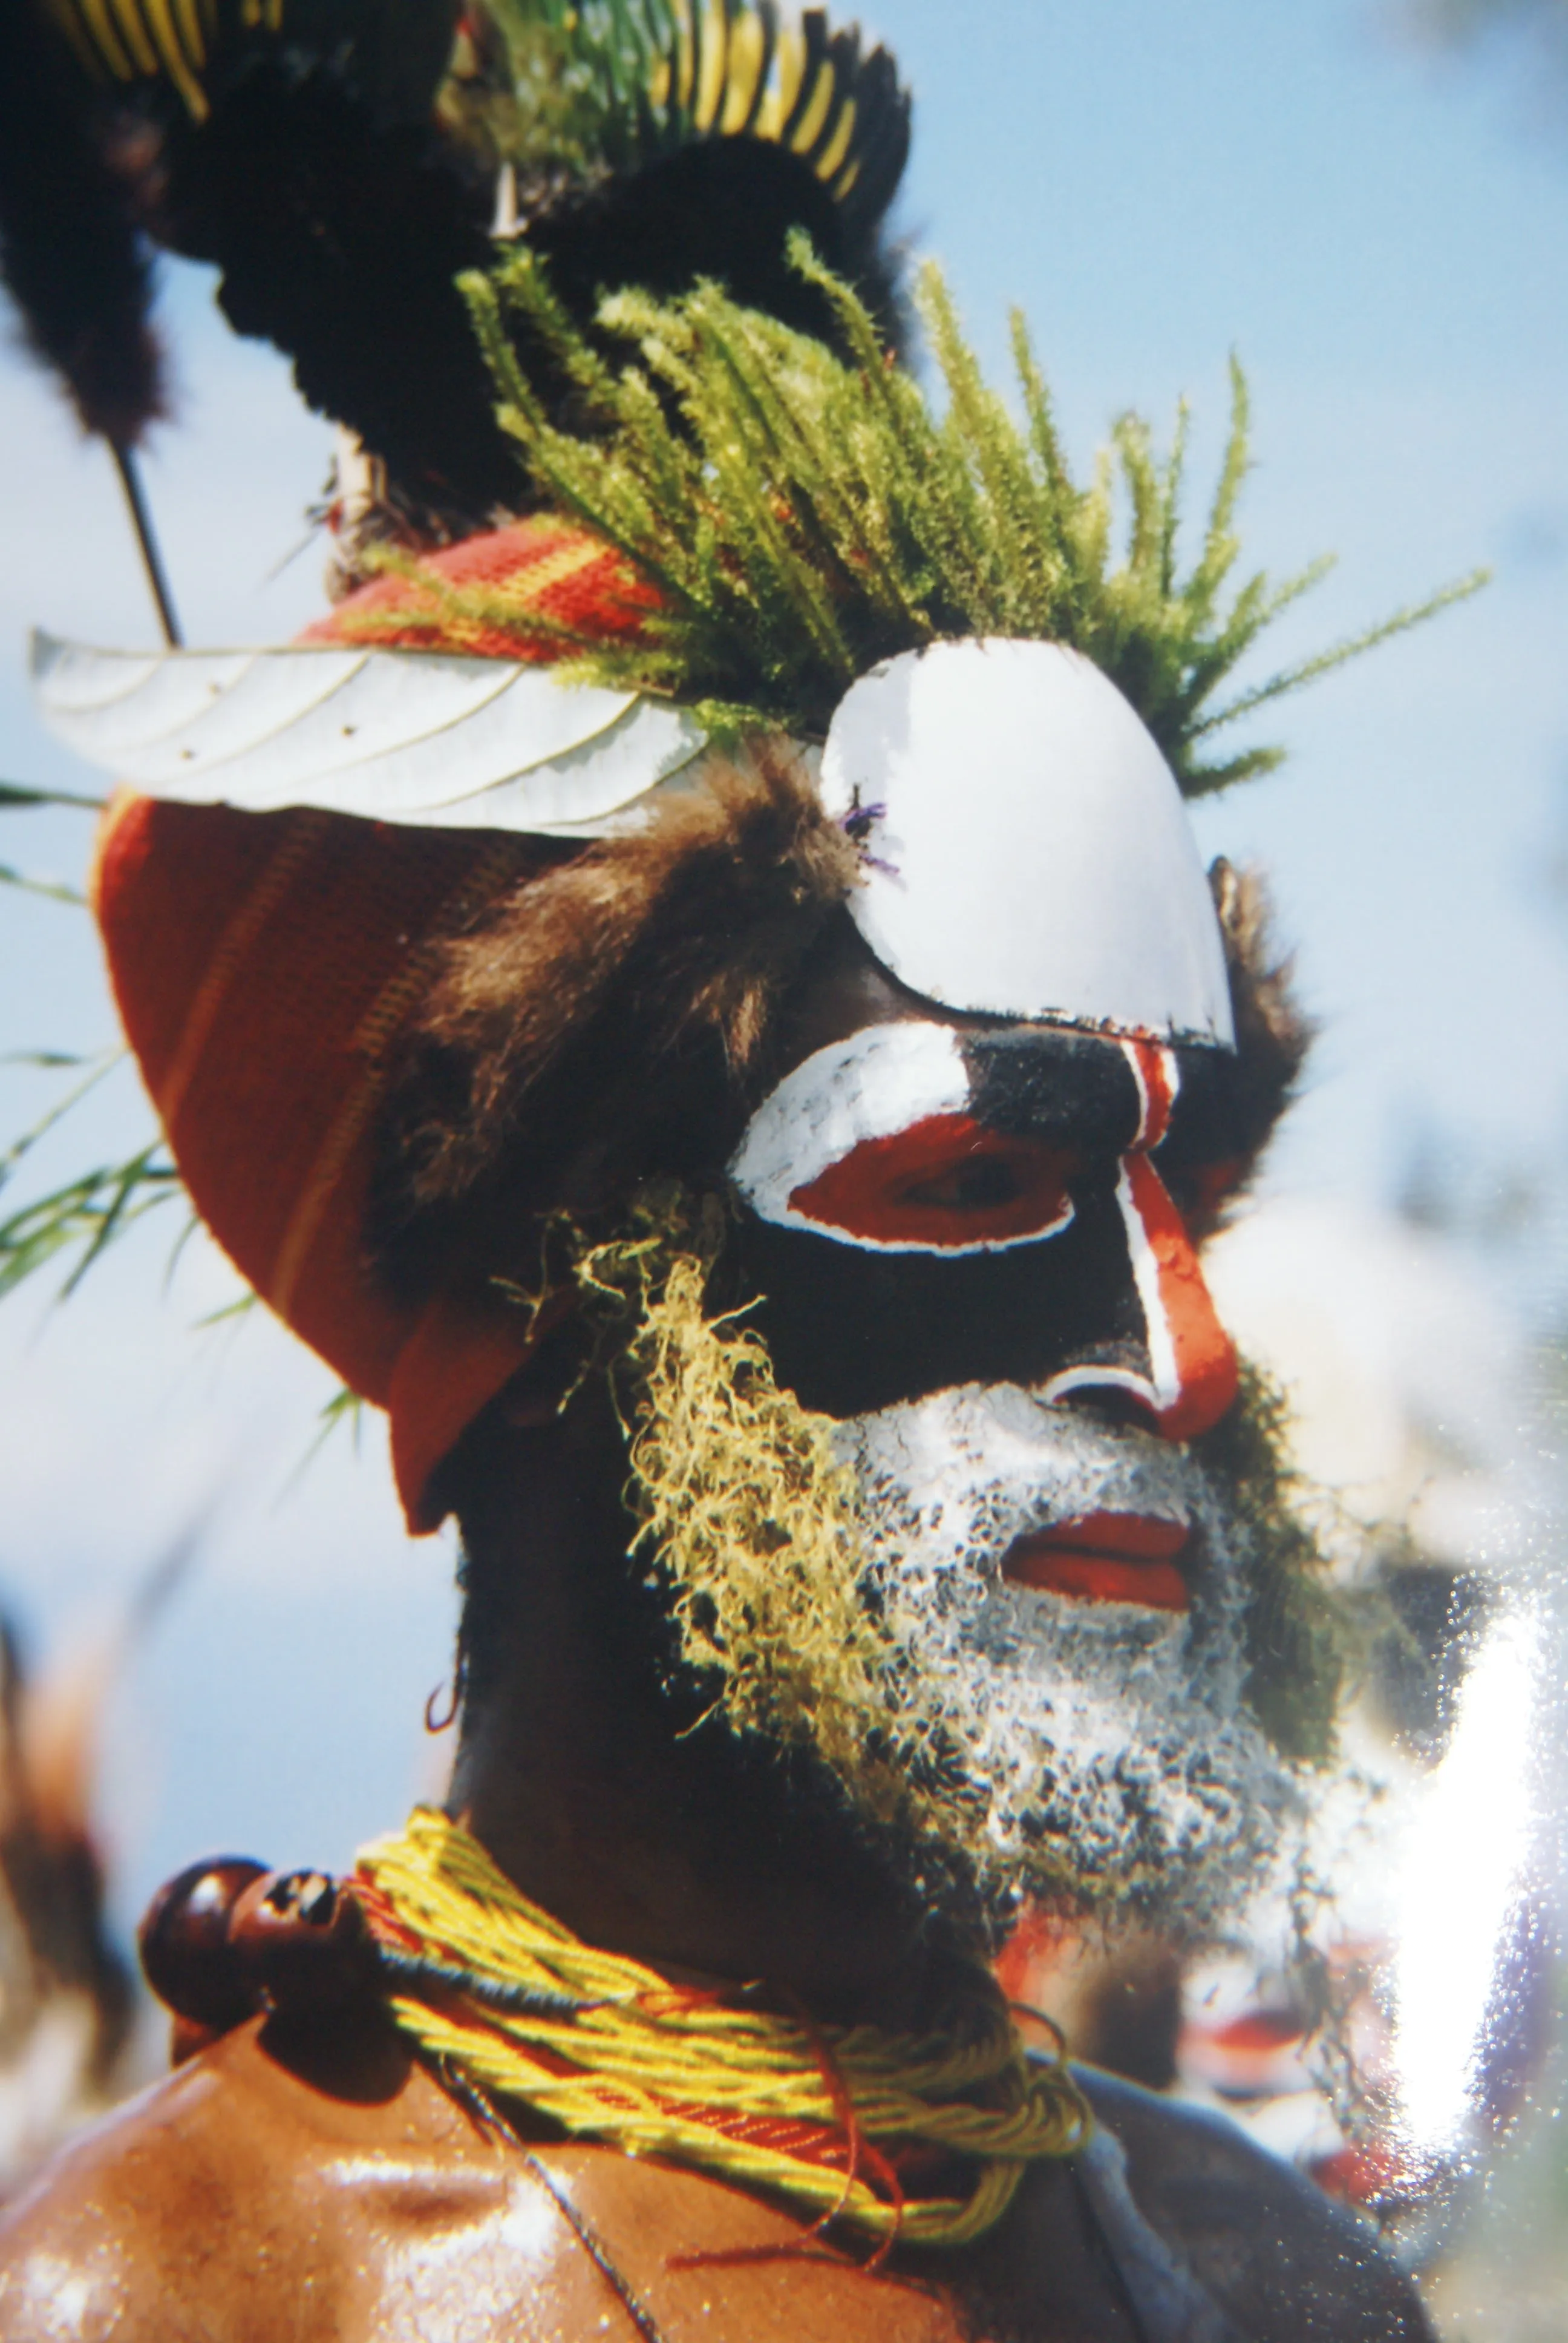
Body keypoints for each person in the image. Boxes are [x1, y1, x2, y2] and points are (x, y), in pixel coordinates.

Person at [0, 2, 1469, 2334]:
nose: (1183, 1358)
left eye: (1193, 1196)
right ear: (580, 1278)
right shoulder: (175, 2299)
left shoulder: (1274, 2278)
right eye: (982, 1174)